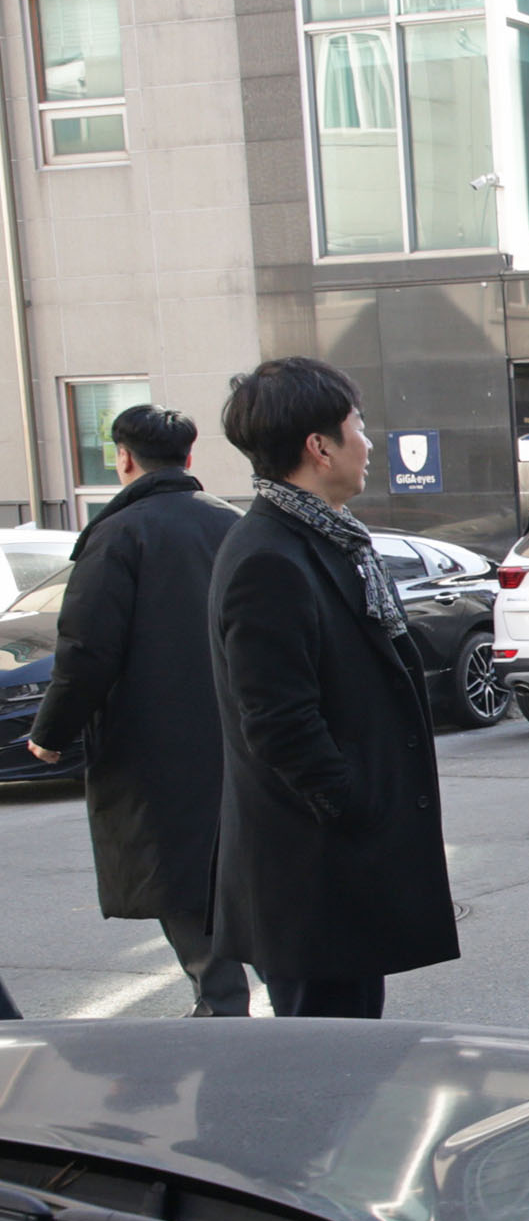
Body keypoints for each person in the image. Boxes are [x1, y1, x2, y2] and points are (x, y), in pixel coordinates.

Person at [207, 358, 457, 1018]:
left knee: (344, 1061)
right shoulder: (269, 556)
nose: (369, 443)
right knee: (324, 1077)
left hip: (334, 871)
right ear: (319, 448)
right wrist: (356, 808)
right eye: (359, 427)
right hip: (311, 875)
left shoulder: (323, 538)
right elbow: (278, 721)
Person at [26, 406, 248, 1015]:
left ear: (123, 457)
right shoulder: (229, 523)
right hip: (236, 729)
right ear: (190, 457)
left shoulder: (120, 533)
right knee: (229, 862)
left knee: (176, 872)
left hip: (153, 738)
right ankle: (247, 1001)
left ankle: (220, 1004)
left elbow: (86, 647)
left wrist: (51, 733)